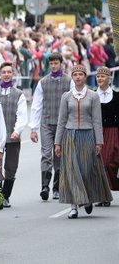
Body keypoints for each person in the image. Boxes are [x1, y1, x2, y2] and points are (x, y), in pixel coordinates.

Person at [54, 65, 113, 219]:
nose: (78, 77)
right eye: (75, 74)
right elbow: (61, 120)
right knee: (72, 171)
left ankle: (87, 199)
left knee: (87, 170)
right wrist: (57, 143)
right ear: (72, 77)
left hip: (88, 136)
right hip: (70, 136)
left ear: (85, 76)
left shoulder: (93, 96)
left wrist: (99, 141)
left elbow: (97, 120)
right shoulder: (66, 96)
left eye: (81, 74)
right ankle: (73, 207)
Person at [29, 52, 71, 200]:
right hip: (46, 122)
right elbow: (36, 105)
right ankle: (44, 186)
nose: (53, 66)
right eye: (51, 63)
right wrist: (33, 128)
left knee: (59, 156)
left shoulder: (69, 81)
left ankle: (57, 187)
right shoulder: (43, 82)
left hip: (63, 124)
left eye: (56, 63)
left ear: (61, 63)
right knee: (46, 155)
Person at [0, 62, 27, 208]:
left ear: (13, 74)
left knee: (11, 167)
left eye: (9, 72)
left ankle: (6, 196)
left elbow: (22, 114)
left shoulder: (19, 94)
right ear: (0, 74)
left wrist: (17, 130)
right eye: (4, 72)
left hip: (12, 136)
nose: (6, 74)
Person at [95, 67, 119, 204]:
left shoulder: (116, 96)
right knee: (98, 164)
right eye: (98, 76)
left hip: (112, 131)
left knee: (109, 163)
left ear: (109, 79)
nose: (99, 79)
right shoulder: (92, 95)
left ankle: (108, 189)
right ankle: (103, 195)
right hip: (96, 131)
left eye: (102, 77)